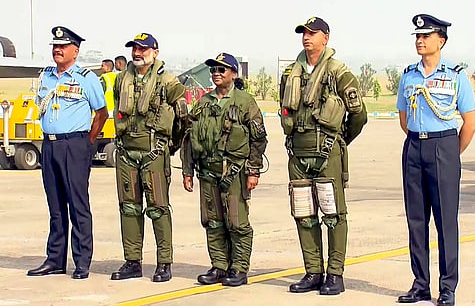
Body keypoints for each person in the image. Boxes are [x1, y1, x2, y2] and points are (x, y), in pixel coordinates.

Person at [279, 17, 367, 295]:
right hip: (298, 153)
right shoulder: (290, 73)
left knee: (333, 214)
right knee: (304, 214)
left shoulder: (339, 72)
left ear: (325, 38)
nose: (307, 38)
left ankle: (335, 274)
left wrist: (340, 142)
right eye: (304, 33)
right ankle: (313, 271)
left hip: (328, 153)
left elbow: (358, 115)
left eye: (312, 33)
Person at [396, 14, 475, 306]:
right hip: (415, 147)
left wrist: (452, 152)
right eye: (417, 36)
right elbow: (404, 119)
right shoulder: (408, 75)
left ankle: (447, 288)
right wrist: (421, 141)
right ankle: (420, 284)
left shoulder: (455, 76)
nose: (420, 40)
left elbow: (470, 121)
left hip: (444, 147)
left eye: (426, 36)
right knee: (416, 221)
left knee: (445, 222)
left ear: (440, 40)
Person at [27, 26, 109, 279]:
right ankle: (55, 259)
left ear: (75, 50)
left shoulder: (86, 78)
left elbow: (102, 113)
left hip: (75, 145)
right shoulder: (47, 76)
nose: (57, 50)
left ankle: (82, 261)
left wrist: (87, 143)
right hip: (50, 145)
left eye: (62, 47)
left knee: (78, 205)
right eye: (55, 46)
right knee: (56, 206)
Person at [181, 53, 267, 287]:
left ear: (234, 74)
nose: (216, 73)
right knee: (212, 221)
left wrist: (253, 170)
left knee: (237, 223)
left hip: (235, 172)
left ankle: (238, 268)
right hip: (207, 172)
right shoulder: (203, 102)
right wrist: (187, 170)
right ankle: (219, 266)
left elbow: (258, 139)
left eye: (222, 70)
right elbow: (190, 138)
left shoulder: (245, 102)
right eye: (214, 70)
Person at [110, 33, 188, 282]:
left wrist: (168, 146)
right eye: (134, 48)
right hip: (126, 153)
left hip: (154, 152)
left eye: (143, 48)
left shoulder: (168, 80)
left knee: (158, 208)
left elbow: (183, 119)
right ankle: (132, 261)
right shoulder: (122, 78)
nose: (137, 52)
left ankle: (164, 262)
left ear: (155, 52)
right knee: (129, 208)